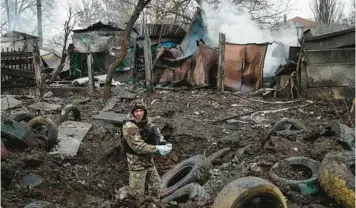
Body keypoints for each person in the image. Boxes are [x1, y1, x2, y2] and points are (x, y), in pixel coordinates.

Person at [121, 100, 173, 200]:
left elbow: (156, 133)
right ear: (132, 113)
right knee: (137, 195)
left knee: (156, 188)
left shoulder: (146, 121)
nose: (139, 113)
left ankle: (154, 205)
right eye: (136, 111)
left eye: (141, 110)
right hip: (137, 164)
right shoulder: (129, 126)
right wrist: (157, 149)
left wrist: (163, 143)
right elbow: (139, 147)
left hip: (148, 161)